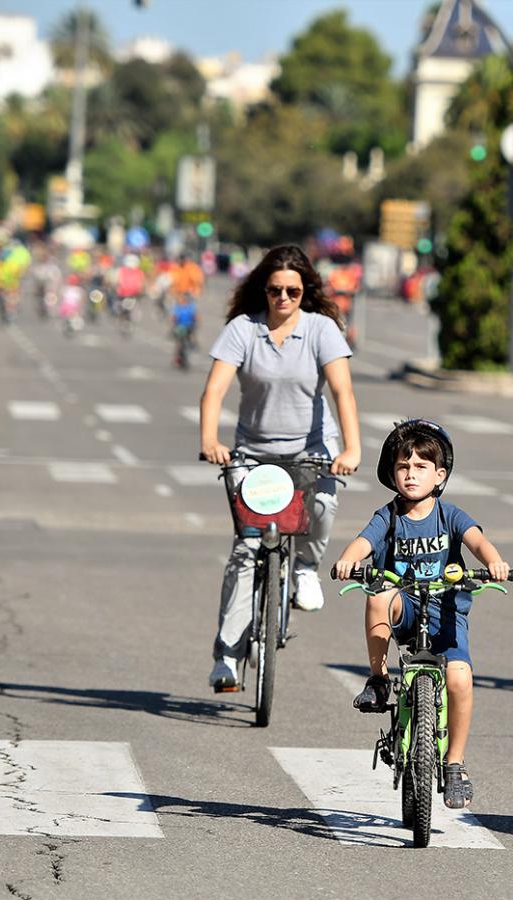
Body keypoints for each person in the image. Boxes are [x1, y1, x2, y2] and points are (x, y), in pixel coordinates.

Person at [200, 245, 362, 691]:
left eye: (293, 290)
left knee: (325, 501)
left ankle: (306, 566)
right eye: (275, 290)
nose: (284, 298)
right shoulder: (242, 330)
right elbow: (214, 391)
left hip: (312, 448)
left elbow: (342, 391)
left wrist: (351, 449)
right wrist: (210, 441)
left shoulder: (321, 330)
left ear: (305, 291)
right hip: (253, 451)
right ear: (263, 290)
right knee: (246, 551)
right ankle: (228, 659)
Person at [332, 419, 510, 810]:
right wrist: (348, 560)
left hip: (446, 612)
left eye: (421, 467)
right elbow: (364, 542)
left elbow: (477, 540)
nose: (411, 474)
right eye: (403, 467)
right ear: (393, 474)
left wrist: (495, 562)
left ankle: (455, 764)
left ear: (440, 474)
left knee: (460, 677)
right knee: (378, 595)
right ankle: (379, 681)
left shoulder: (450, 516)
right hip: (408, 607)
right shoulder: (389, 516)